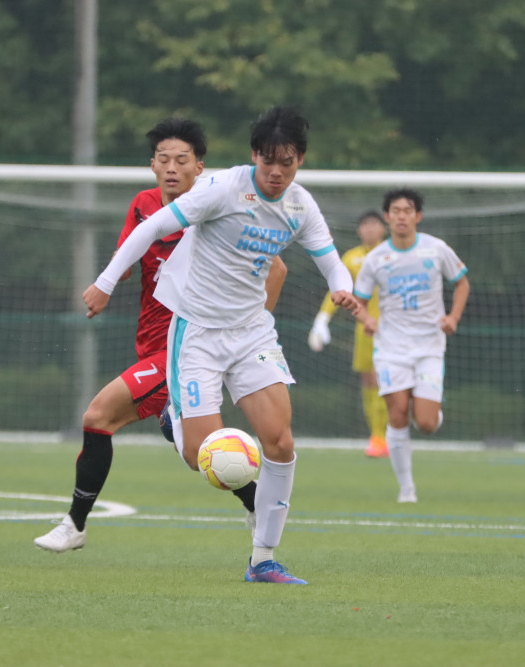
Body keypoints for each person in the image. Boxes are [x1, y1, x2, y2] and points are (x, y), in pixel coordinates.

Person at [83, 106, 360, 584]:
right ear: (254, 155)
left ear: (299, 161)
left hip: (251, 332)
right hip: (198, 333)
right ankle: (175, 419)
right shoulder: (221, 188)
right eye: (268, 161)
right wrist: (105, 282)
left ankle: (263, 559)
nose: (276, 172)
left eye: (287, 163)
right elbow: (151, 227)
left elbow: (331, 262)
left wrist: (342, 288)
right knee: (200, 456)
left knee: (280, 442)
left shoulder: (300, 206)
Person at [34, 118, 287, 553]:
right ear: (152, 164)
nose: (172, 167)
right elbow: (128, 256)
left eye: (182, 160)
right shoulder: (144, 205)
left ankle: (74, 525)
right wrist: (109, 279)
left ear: (199, 167)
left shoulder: (218, 205)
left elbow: (276, 269)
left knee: (98, 417)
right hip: (152, 345)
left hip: (189, 345)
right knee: (195, 449)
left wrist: (250, 331)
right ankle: (257, 502)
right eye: (164, 159)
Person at [354, 188, 469, 503]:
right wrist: (366, 319)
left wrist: (453, 317)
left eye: (407, 210)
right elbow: (358, 301)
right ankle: (407, 489)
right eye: (396, 211)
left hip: (430, 346)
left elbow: (462, 282)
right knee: (398, 413)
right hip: (390, 348)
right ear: (387, 217)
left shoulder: (436, 249)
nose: (401, 216)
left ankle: (430, 411)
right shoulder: (376, 258)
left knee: (427, 423)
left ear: (417, 216)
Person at [307, 210, 390, 457]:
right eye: (365, 225)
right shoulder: (352, 258)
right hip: (364, 329)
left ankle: (387, 434)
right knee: (369, 380)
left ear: (383, 228)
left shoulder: (392, 254)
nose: (369, 229)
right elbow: (338, 290)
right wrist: (322, 320)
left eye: (374, 224)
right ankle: (377, 436)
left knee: (385, 380)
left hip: (393, 329)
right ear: (359, 230)